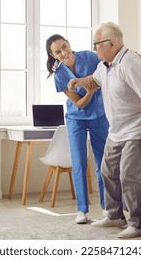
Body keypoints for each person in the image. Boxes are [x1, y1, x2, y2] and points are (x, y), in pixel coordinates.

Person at [68, 22, 141, 238]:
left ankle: (137, 225)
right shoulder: (105, 64)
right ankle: (115, 216)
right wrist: (79, 81)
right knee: (107, 171)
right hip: (116, 131)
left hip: (136, 130)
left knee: (129, 175)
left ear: (111, 43)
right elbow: (95, 81)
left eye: (96, 44)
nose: (94, 49)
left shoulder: (131, 63)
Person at [45, 34, 109, 224]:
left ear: (69, 43)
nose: (64, 53)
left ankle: (107, 208)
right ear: (53, 55)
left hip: (99, 115)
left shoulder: (90, 57)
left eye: (65, 46)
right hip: (76, 118)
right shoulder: (59, 76)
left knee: (102, 162)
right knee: (79, 162)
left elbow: (109, 63)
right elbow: (79, 104)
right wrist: (91, 89)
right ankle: (82, 210)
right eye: (58, 51)